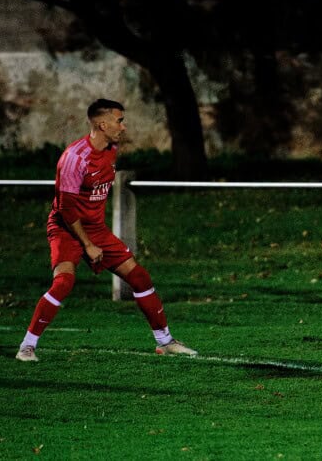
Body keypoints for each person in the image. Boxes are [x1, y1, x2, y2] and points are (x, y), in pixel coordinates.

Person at [15, 99, 196, 362]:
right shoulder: (74, 159)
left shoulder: (111, 149)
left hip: (96, 229)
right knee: (64, 282)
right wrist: (87, 245)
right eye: (119, 120)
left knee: (140, 278)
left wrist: (94, 237)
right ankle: (27, 347)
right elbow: (66, 210)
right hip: (66, 227)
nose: (123, 126)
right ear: (102, 124)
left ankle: (165, 342)